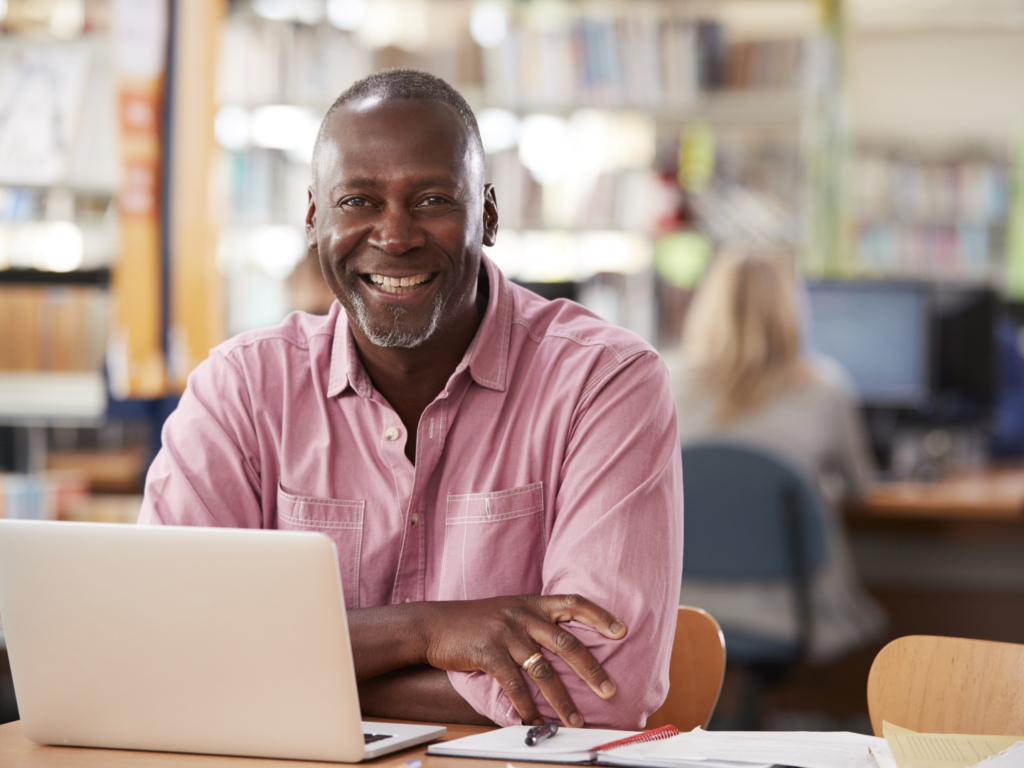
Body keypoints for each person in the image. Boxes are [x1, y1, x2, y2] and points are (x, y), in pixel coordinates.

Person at [138, 70, 683, 730]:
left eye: (430, 200)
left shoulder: (606, 382)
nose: (394, 236)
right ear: (314, 218)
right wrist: (424, 631)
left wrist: (282, 675)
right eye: (359, 201)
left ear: (487, 214)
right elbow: (167, 649)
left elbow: (602, 688)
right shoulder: (240, 389)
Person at [665, 253, 885, 663]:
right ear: (790, 308)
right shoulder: (824, 389)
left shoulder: (663, 381)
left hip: (681, 608)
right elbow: (862, 488)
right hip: (790, 610)